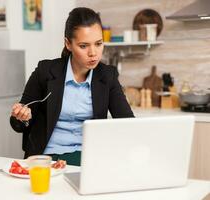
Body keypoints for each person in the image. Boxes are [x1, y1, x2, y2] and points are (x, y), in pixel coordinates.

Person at [10, 7, 134, 166]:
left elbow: (128, 124)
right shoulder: (45, 72)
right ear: (68, 44)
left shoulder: (107, 76)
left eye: (98, 44)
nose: (93, 53)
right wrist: (22, 116)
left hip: (90, 157)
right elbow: (18, 123)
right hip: (47, 157)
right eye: (84, 46)